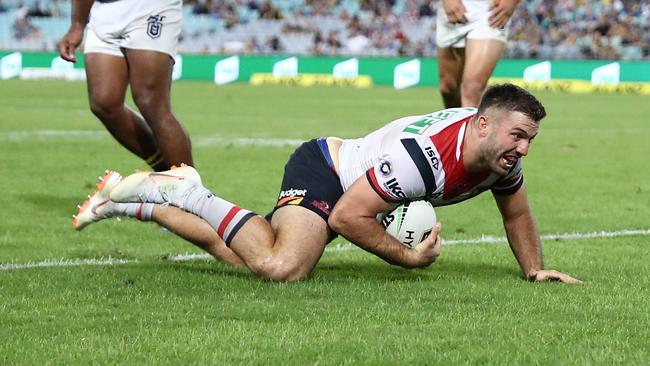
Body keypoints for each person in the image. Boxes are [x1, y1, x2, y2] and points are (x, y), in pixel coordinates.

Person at [73, 84, 581, 284]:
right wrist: (406, 258)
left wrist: (535, 270)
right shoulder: (423, 159)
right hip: (328, 173)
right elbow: (345, 216)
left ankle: (134, 203)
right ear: (483, 123)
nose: (524, 149)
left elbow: (516, 212)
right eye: (518, 135)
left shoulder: (499, 157)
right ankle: (186, 191)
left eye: (530, 139)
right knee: (281, 267)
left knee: (243, 254)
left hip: (359, 190)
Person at [58, 0, 192, 172]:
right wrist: (77, 25)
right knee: (104, 103)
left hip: (150, 7)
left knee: (150, 101)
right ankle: (165, 170)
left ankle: (192, 194)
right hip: (104, 11)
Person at [436, 0, 520, 108]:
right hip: (455, 7)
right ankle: (456, 123)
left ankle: (470, 124)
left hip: (491, 9)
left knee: (472, 88)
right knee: (448, 88)